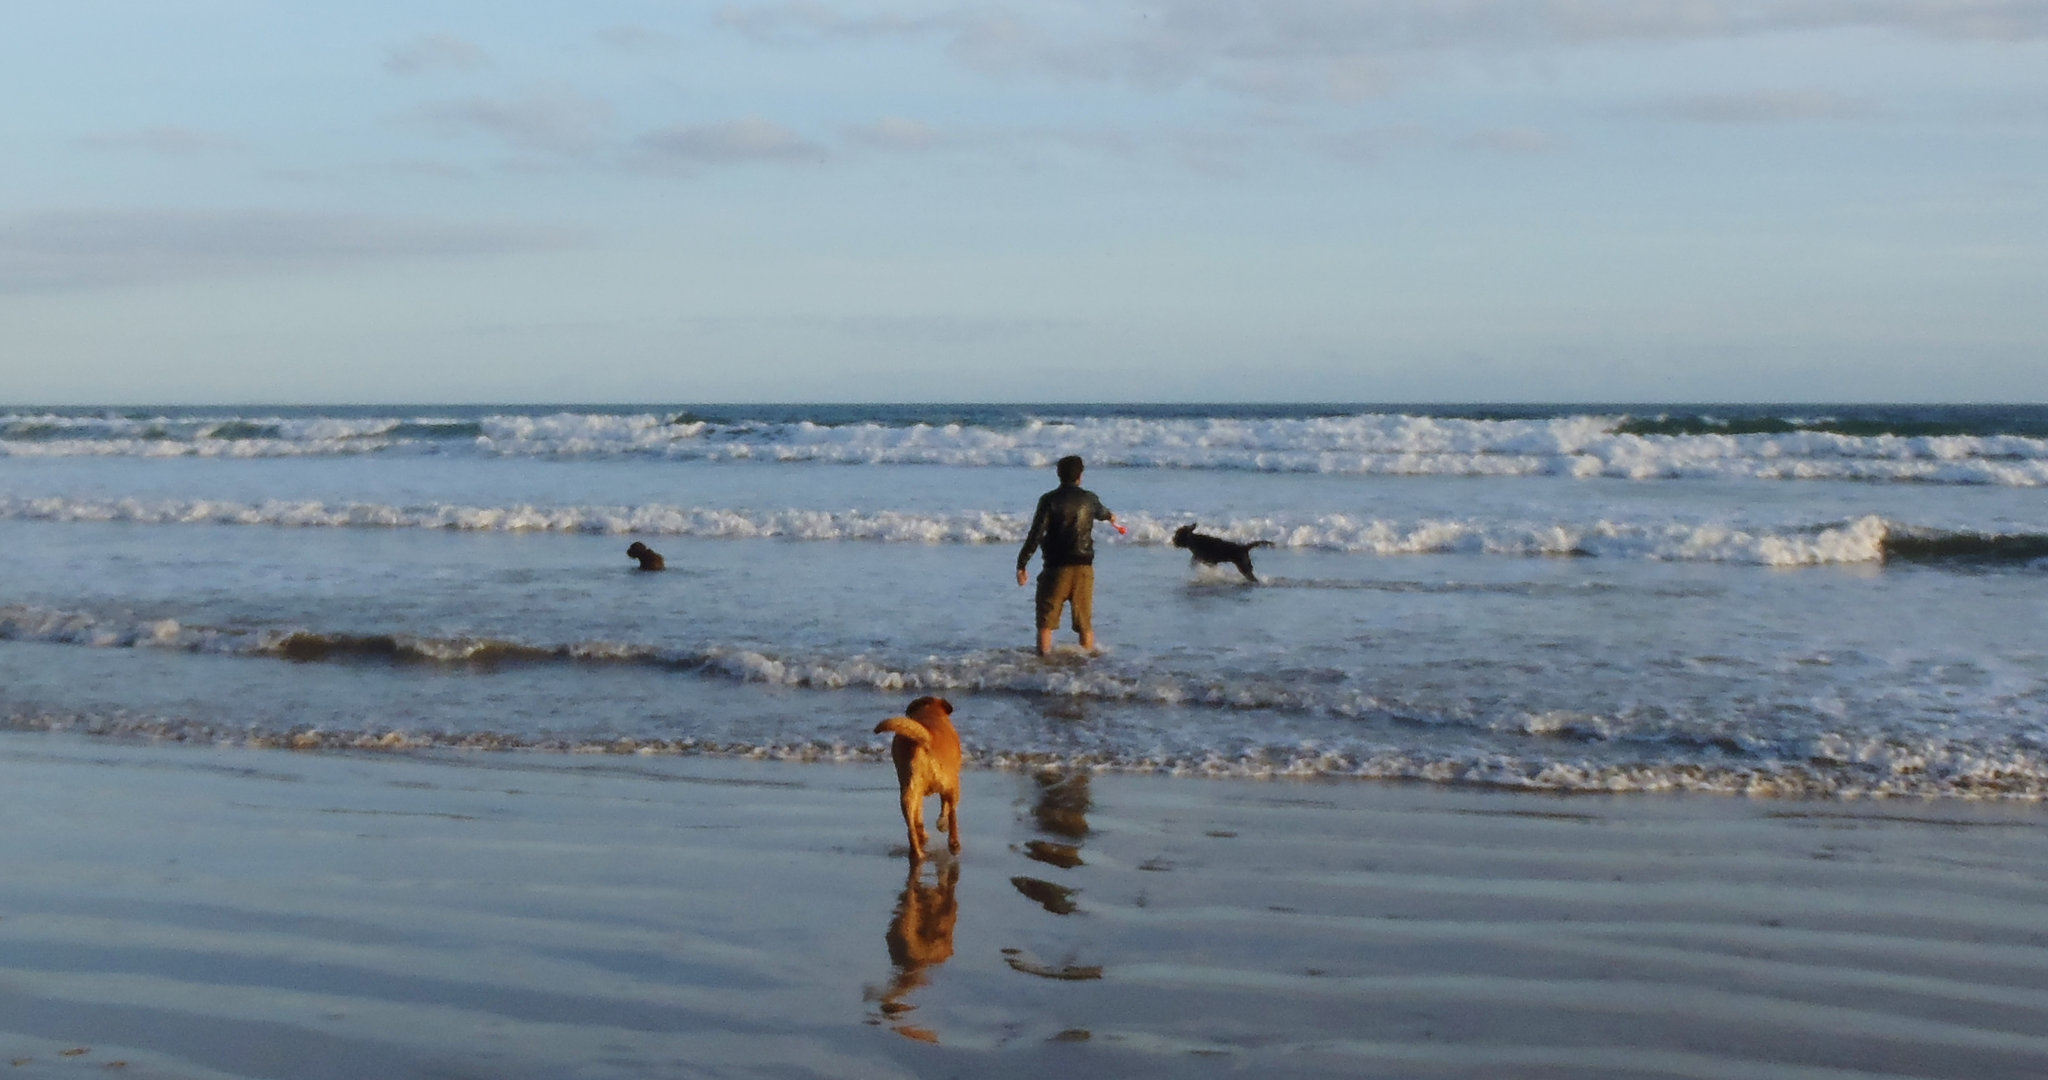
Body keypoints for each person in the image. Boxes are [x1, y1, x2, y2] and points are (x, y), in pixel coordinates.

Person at [1015, 455, 1122, 656]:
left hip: (1056, 568)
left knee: (1046, 623)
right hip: (1084, 568)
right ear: (1080, 476)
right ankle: (1087, 667)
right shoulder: (1089, 498)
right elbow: (1102, 512)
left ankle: (1044, 665)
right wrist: (1110, 516)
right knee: (1084, 624)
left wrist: (1022, 564)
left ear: (1058, 474)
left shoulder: (1048, 500)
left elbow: (1036, 534)